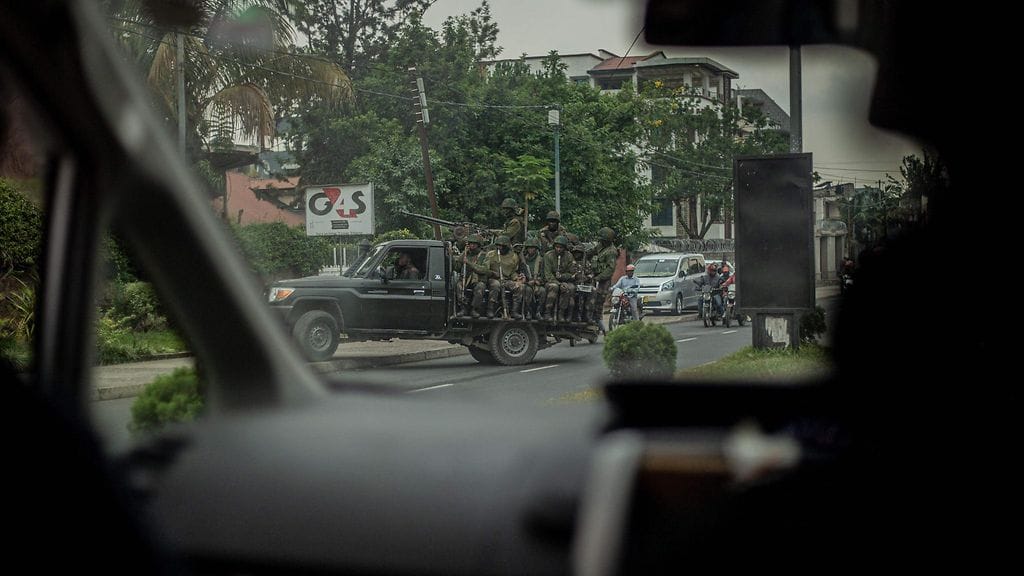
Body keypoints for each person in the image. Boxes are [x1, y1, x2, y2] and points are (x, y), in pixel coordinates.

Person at [483, 235, 527, 319]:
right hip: (493, 279)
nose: (499, 248)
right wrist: (492, 273)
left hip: (506, 280)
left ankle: (514, 311)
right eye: (498, 245)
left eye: (502, 246)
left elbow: (512, 272)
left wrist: (517, 278)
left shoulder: (514, 256)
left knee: (519, 286)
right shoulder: (491, 254)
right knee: (495, 285)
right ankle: (490, 309)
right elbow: (485, 269)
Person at [541, 235, 577, 322]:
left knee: (570, 288)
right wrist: (559, 283)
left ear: (564, 248)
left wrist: (562, 276)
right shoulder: (548, 255)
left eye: (561, 247)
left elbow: (572, 273)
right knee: (554, 287)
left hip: (565, 280)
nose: (559, 249)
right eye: (557, 247)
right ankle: (547, 312)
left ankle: (562, 313)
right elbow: (548, 274)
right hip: (550, 280)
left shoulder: (569, 256)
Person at [590, 227, 620, 324]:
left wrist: (598, 278)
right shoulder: (600, 246)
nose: (601, 241)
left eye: (603, 240)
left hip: (603, 280)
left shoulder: (611, 251)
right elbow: (592, 251)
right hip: (594, 276)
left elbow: (610, 269)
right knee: (590, 298)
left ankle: (598, 322)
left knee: (599, 300)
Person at [456, 234, 490, 317]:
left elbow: (484, 270)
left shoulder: (484, 255)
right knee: (459, 286)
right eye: (470, 243)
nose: (472, 245)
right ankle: (463, 308)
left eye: (474, 244)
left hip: (478, 279)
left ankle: (474, 309)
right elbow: (457, 267)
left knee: (480, 287)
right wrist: (464, 253)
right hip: (466, 279)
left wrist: (469, 263)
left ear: (478, 245)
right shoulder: (466, 254)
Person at [521, 237, 545, 320]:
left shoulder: (541, 259)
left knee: (542, 291)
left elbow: (544, 273)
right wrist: (527, 281)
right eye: (529, 248)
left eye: (533, 248)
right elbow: (521, 272)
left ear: (536, 249)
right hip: (527, 283)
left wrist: (539, 280)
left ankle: (539, 312)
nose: (531, 250)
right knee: (528, 290)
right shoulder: (524, 260)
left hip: (537, 282)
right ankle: (528, 311)